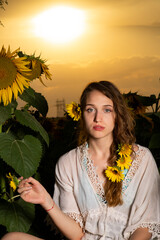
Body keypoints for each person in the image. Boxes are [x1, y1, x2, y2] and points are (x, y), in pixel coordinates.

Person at [1, 81, 160, 240]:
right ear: (81, 115)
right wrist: (46, 201)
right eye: (90, 109)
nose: (98, 118)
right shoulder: (68, 163)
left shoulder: (142, 159)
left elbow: (144, 227)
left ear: (117, 115)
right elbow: (77, 235)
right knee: (12, 238)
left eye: (107, 110)